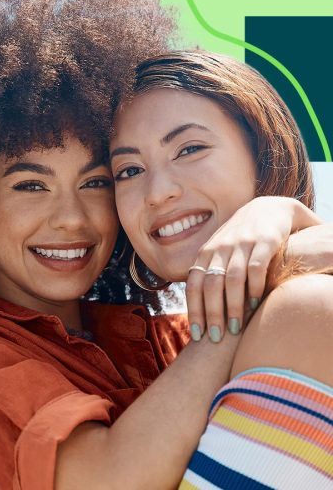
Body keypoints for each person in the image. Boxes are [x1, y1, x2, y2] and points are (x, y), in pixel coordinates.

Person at [0, 0, 330, 489]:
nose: (71, 218)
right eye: (32, 185)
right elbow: (105, 480)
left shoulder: (152, 338)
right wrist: (244, 298)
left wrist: (274, 215)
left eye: (98, 181)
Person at [110, 50, 333, 489]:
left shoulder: (305, 310)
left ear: (263, 153)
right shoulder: (167, 346)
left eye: (189, 149)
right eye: (129, 169)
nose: (158, 193)